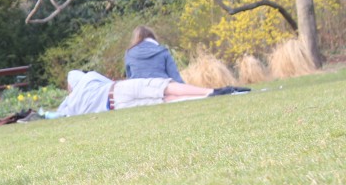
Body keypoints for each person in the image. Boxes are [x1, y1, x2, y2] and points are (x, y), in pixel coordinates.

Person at [53, 70, 248, 118]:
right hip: (118, 90)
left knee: (162, 100)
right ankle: (212, 92)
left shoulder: (70, 103)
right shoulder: (89, 79)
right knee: (162, 87)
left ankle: (206, 96)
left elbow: (60, 114)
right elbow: (105, 81)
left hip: (115, 106)